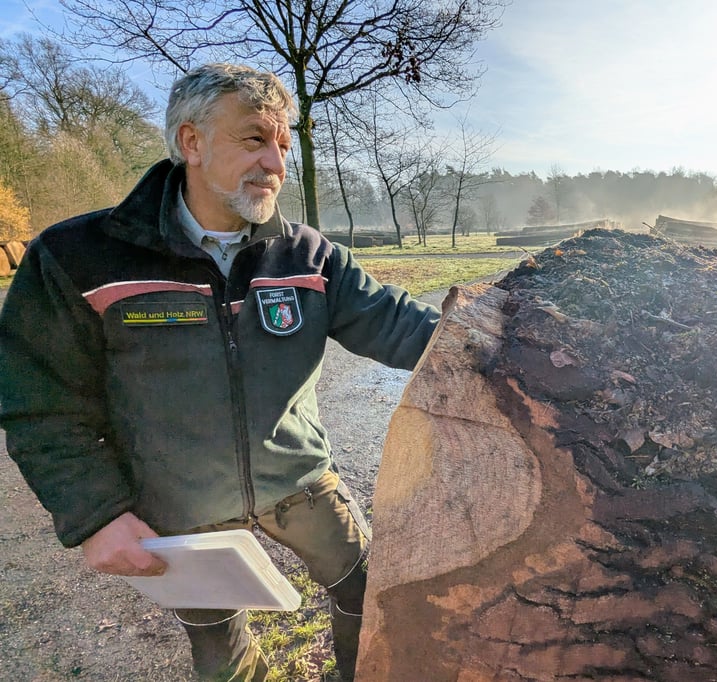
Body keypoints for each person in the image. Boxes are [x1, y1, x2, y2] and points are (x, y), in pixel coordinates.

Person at [0, 63, 440, 681]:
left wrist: (496, 342)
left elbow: (398, 324)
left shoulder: (310, 256)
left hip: (300, 481)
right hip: (179, 503)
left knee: (367, 590)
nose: (276, 164)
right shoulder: (78, 257)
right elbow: (39, 402)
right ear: (192, 142)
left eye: (284, 144)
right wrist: (95, 514)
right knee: (221, 657)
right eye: (255, 139)